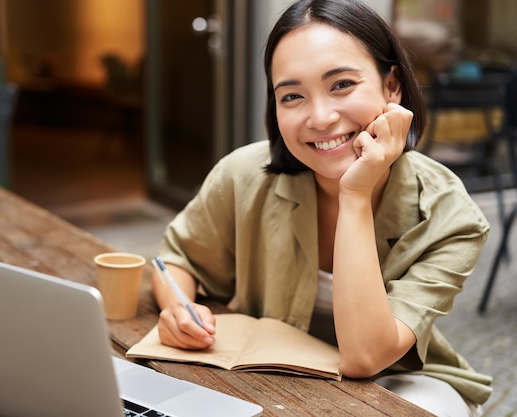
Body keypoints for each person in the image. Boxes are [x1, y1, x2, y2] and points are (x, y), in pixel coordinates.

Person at [151, 0, 492, 415]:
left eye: (342, 84)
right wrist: (178, 311)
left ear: (392, 86)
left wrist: (355, 195)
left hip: (401, 381)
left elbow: (365, 357)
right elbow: (177, 261)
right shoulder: (243, 175)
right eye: (292, 95)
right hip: (271, 374)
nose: (320, 116)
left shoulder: (447, 213)